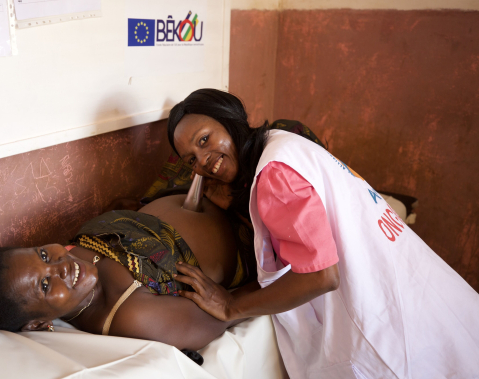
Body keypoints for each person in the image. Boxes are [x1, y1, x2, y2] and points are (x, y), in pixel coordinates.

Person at [167, 89, 479, 378]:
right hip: (432, 302)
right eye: (191, 159)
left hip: (395, 336)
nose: (203, 161)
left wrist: (231, 307)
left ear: (229, 119)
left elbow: (320, 276)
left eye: (205, 140)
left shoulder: (274, 174)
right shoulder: (282, 143)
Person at [0, 193, 257, 353]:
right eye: (46, 284)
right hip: (249, 224)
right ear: (38, 323)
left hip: (198, 187)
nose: (59, 264)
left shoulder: (73, 258)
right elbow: (235, 307)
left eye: (43, 254)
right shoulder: (132, 315)